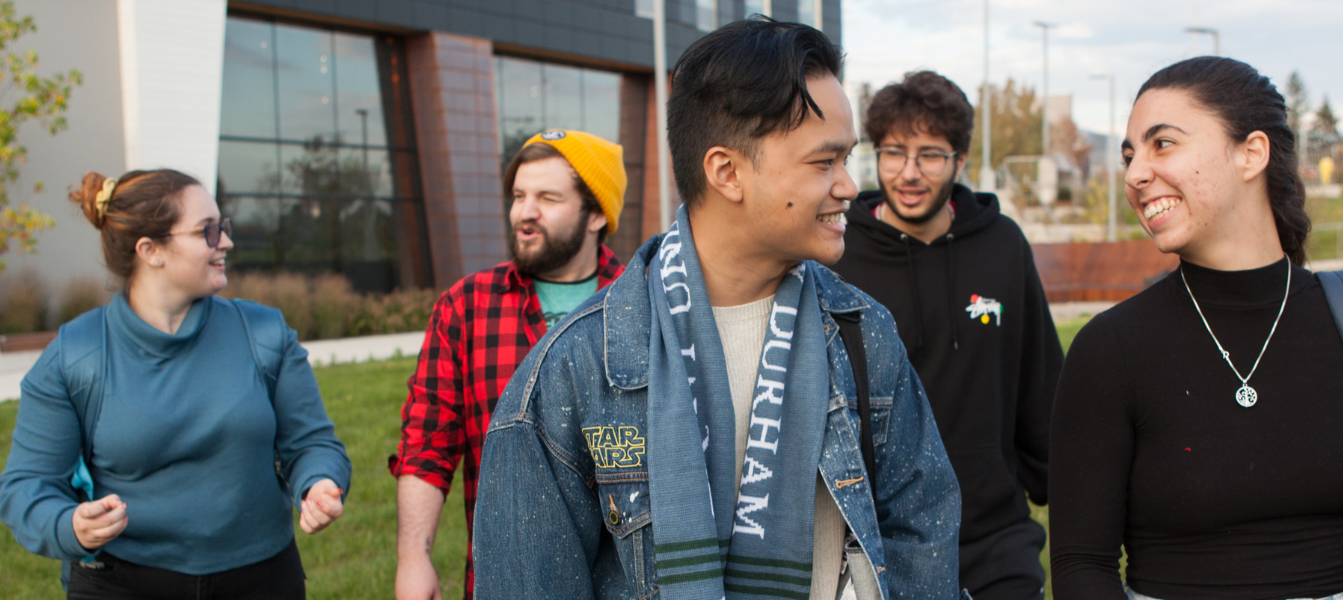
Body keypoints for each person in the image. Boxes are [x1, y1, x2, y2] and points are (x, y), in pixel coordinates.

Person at [470, 17, 963, 600]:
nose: (850, 186)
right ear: (727, 171)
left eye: (847, 158)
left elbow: (922, 541)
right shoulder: (570, 374)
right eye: (823, 162)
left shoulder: (863, 333)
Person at [1049, 56, 1343, 600]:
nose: (1135, 174)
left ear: (1252, 153)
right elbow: (1082, 566)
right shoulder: (1111, 349)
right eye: (1130, 155)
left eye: (1162, 144)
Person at [0, 169, 352, 599]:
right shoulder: (77, 355)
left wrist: (318, 483)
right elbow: (25, 486)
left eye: (223, 227)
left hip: (263, 581)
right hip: (121, 583)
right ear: (151, 251)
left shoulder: (263, 333)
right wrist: (68, 525)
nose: (226, 241)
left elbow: (314, 444)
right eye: (207, 231)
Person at [829, 70, 1060, 600]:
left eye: (930, 154)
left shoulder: (1002, 244)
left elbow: (1041, 385)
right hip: (875, 547)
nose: (909, 173)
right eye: (893, 152)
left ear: (960, 161)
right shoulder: (838, 255)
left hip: (995, 543)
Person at [391, 130, 628, 600]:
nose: (524, 212)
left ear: (597, 213)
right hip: (507, 578)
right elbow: (427, 445)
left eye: (547, 197)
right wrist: (413, 559)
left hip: (626, 580)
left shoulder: (639, 306)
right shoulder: (466, 307)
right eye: (519, 196)